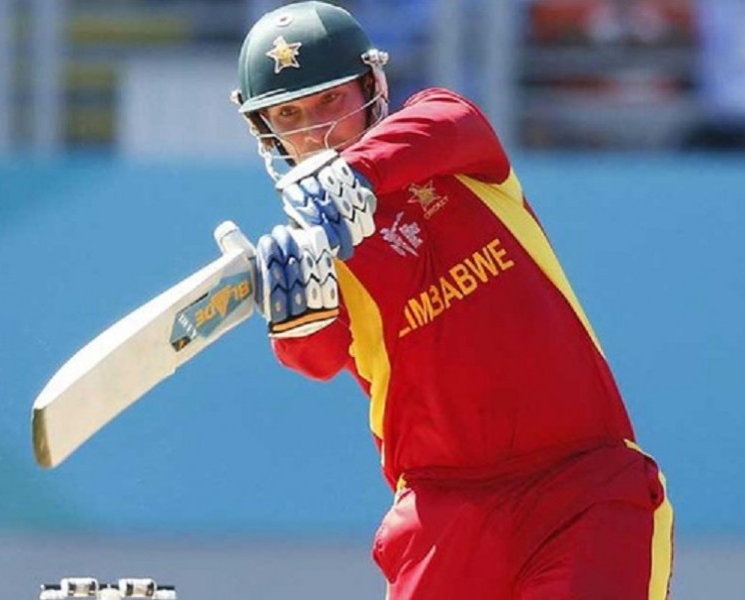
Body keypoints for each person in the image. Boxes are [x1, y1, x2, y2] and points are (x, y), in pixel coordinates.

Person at [230, 2, 673, 599]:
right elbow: (315, 358)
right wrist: (291, 312)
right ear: (267, 132)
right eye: (289, 114)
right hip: (442, 519)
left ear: (372, 86)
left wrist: (355, 175)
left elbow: (454, 120)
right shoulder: (317, 256)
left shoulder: (448, 145)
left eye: (331, 100)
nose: (316, 130)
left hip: (583, 491)